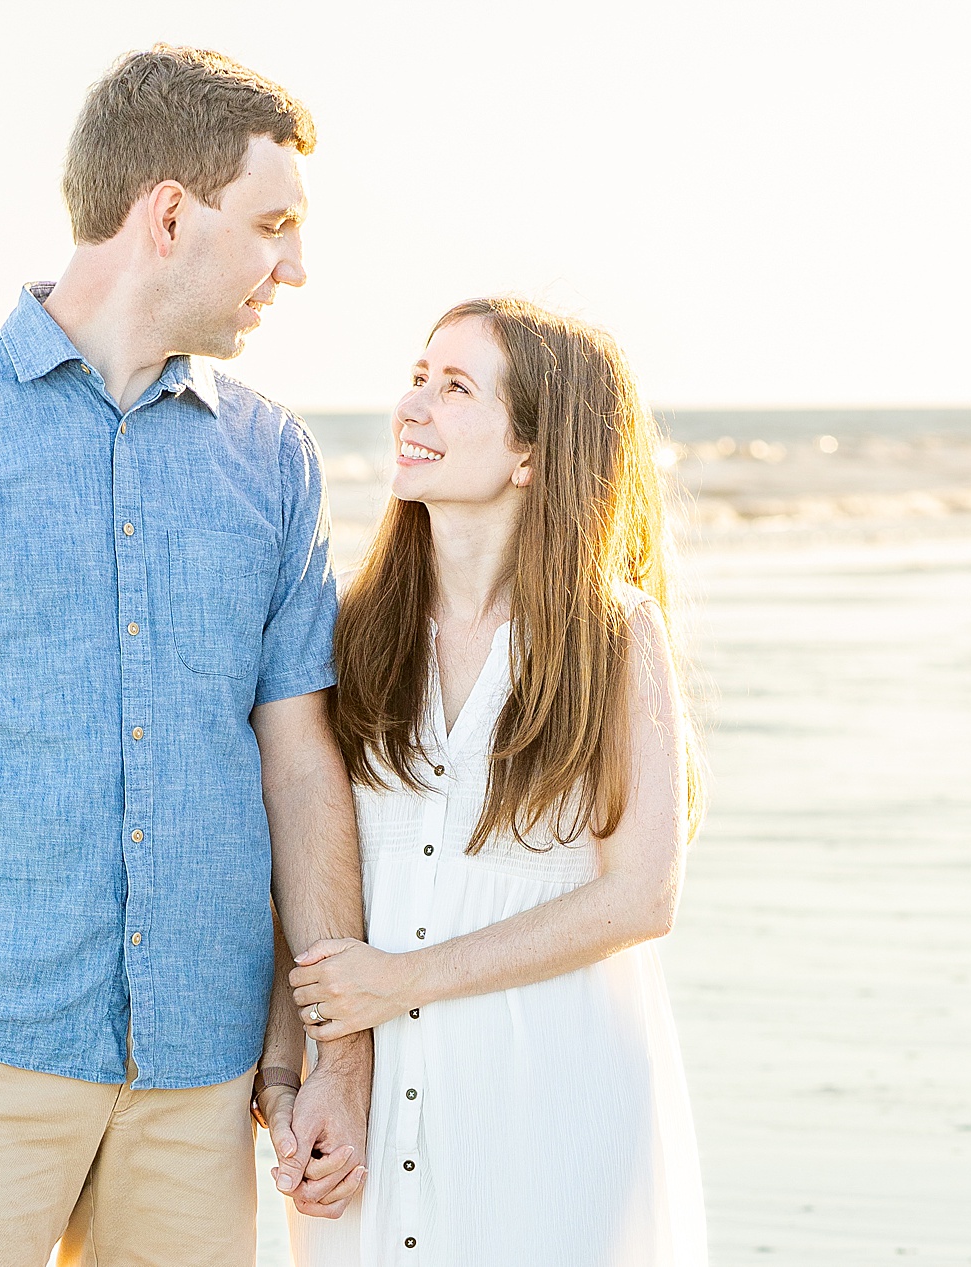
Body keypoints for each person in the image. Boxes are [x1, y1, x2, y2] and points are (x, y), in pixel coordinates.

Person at [0, 46, 371, 1267]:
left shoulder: (274, 460)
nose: (294, 268)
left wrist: (330, 1053)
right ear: (167, 214)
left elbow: (301, 768)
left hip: (199, 1082)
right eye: (273, 225)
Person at [263, 298, 709, 1265]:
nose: (411, 406)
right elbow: (293, 876)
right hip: (372, 1118)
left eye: (455, 387)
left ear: (533, 454)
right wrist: (288, 1077)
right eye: (418, 376)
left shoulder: (613, 636)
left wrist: (403, 980)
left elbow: (643, 894)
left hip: (554, 1098)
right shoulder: (348, 631)